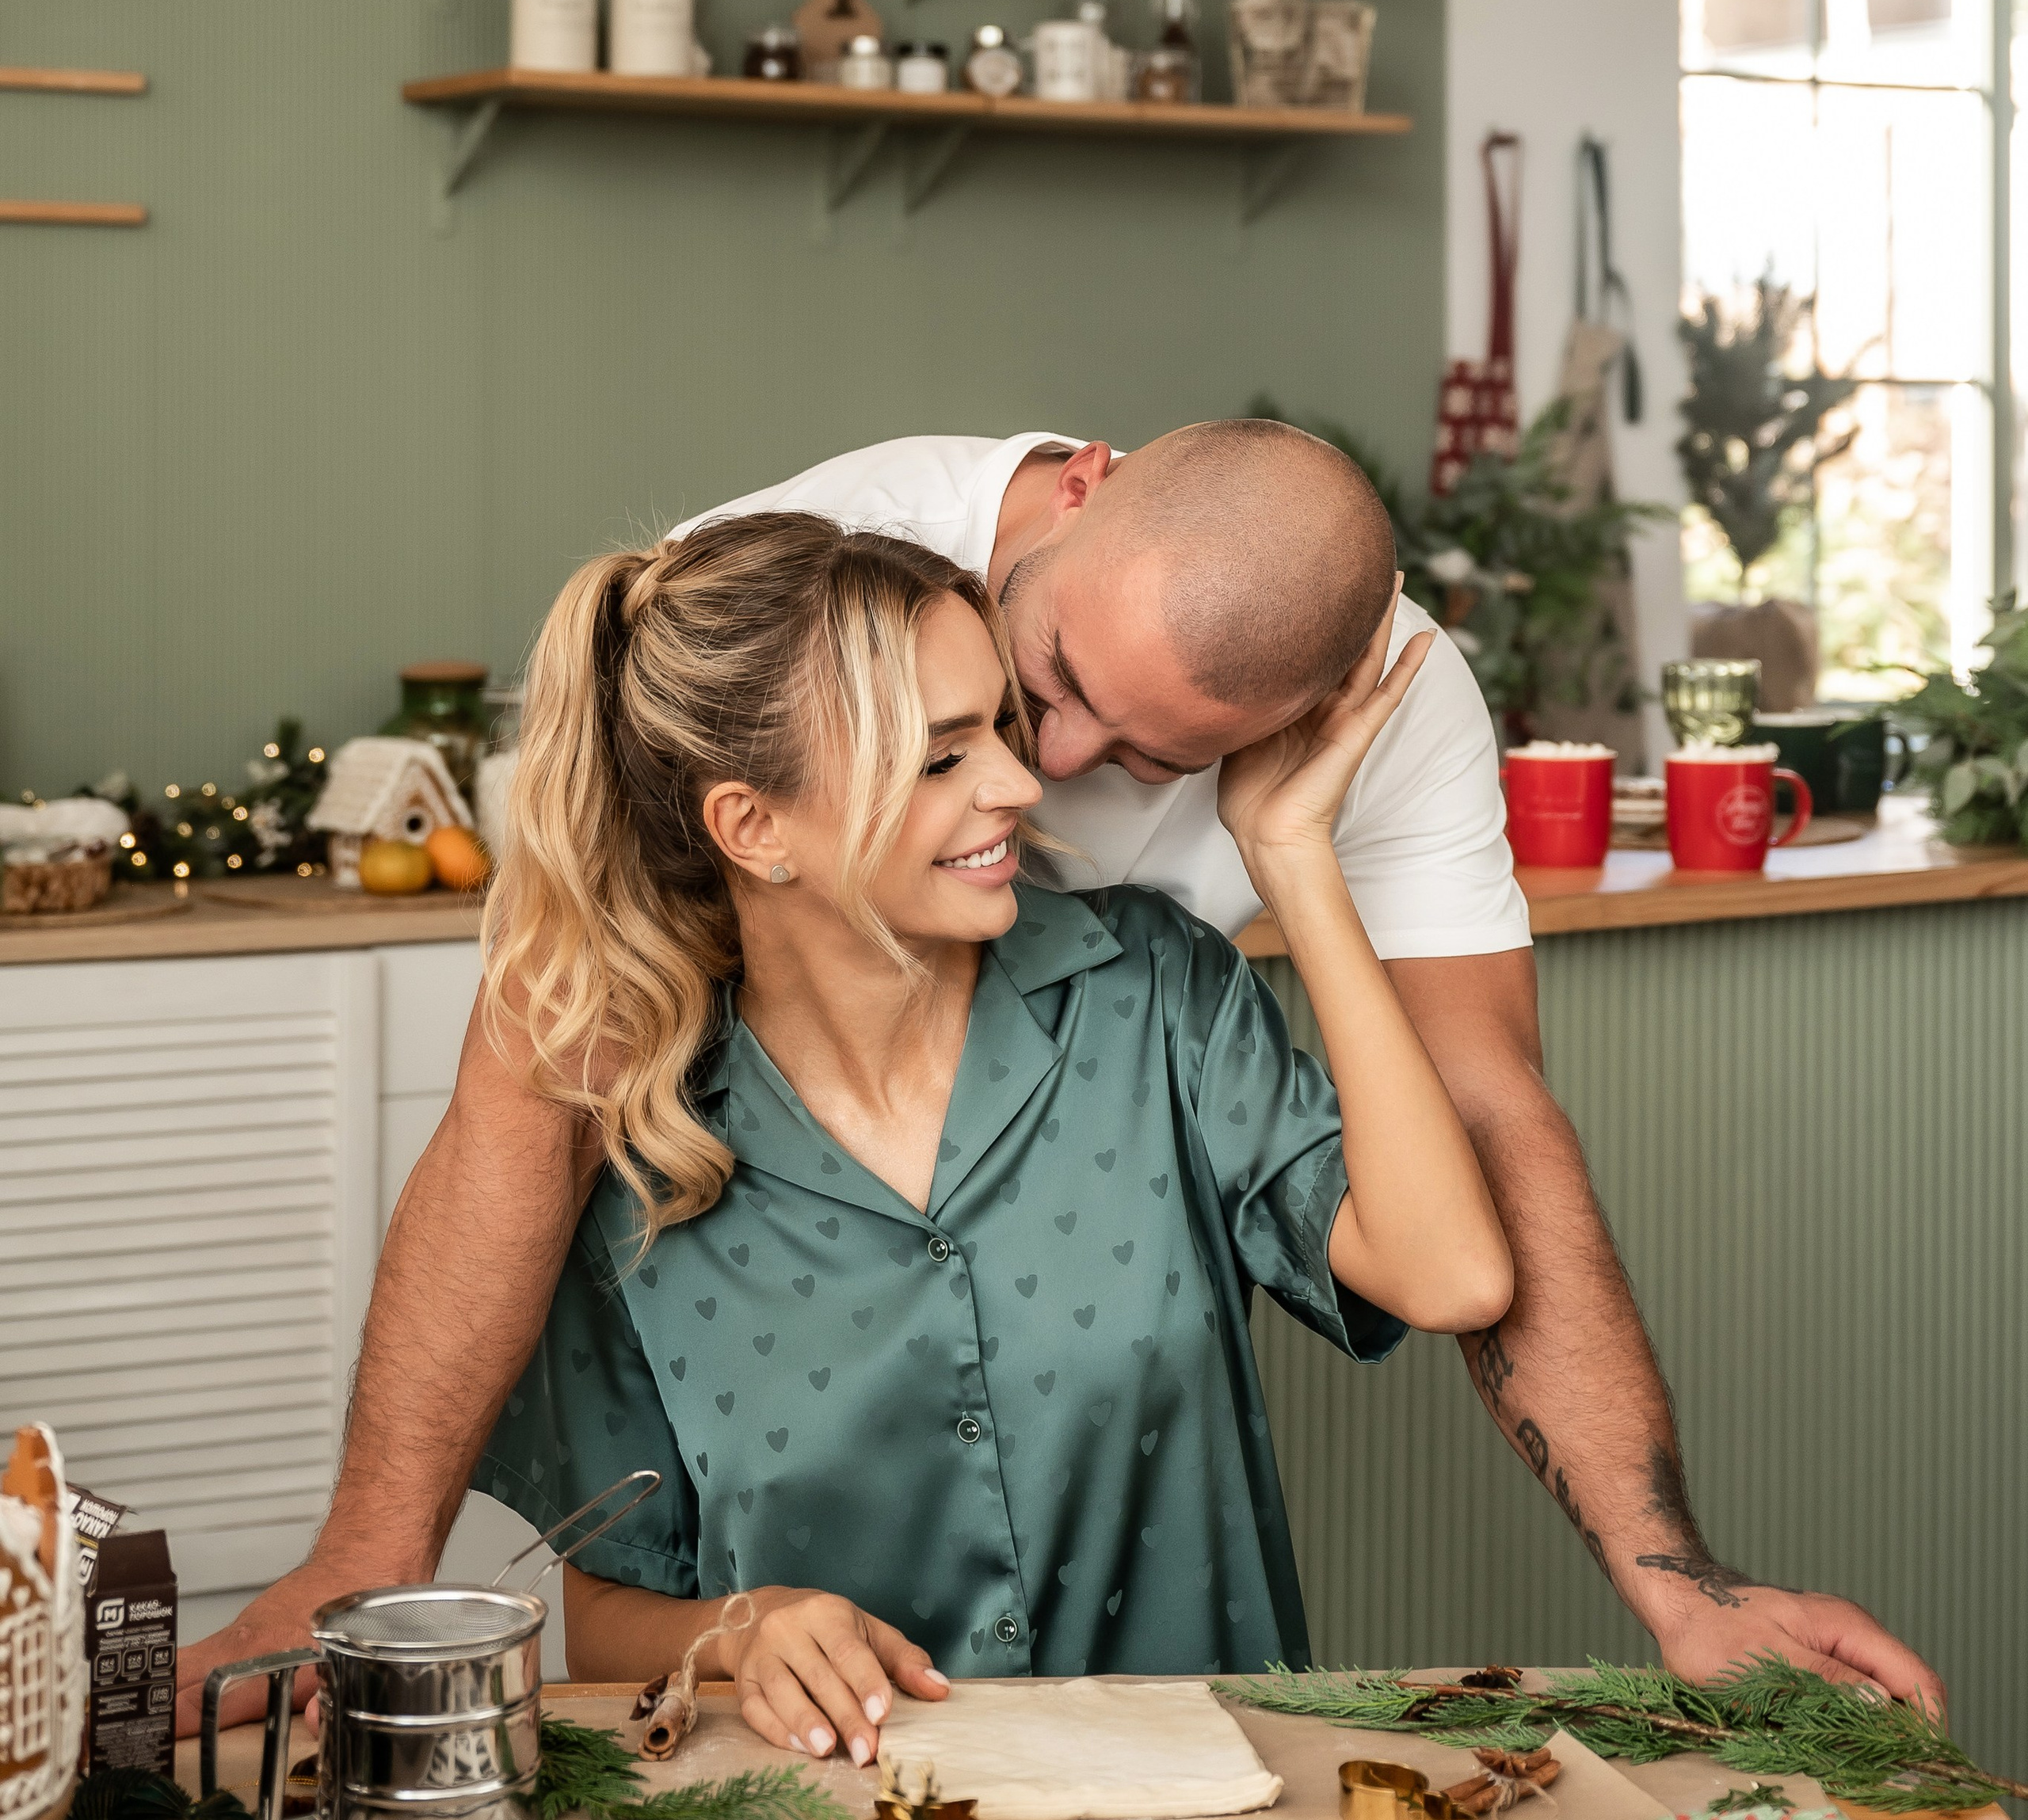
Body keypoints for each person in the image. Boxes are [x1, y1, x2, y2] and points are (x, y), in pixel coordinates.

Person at [179, 421, 1942, 1727]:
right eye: (1018, 708)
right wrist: (370, 1554)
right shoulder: (785, 602)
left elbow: (1480, 1155)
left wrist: (1677, 1586)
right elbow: (525, 1101)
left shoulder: (1201, 944)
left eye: (1152, 759)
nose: (1056, 775)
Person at [471, 512, 1511, 1753]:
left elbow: (1452, 1272)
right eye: (938, 758)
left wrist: (1292, 857)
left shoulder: (1153, 993)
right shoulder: (643, 1150)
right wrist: (746, 1628)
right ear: (753, 827)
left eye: (1000, 730)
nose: (1019, 783)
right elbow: (607, 1613)